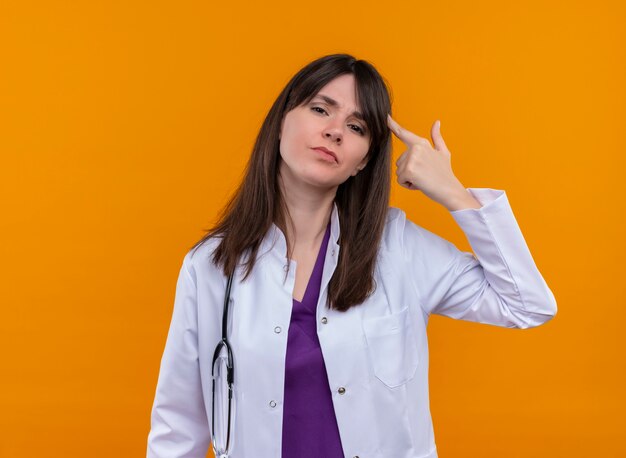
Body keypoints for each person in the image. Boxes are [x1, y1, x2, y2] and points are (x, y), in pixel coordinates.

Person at [146, 53, 557, 458]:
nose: (335, 131)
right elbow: (178, 427)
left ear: (363, 160)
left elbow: (526, 305)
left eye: (356, 126)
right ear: (280, 122)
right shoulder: (213, 266)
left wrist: (453, 193)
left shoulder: (398, 247)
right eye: (321, 109)